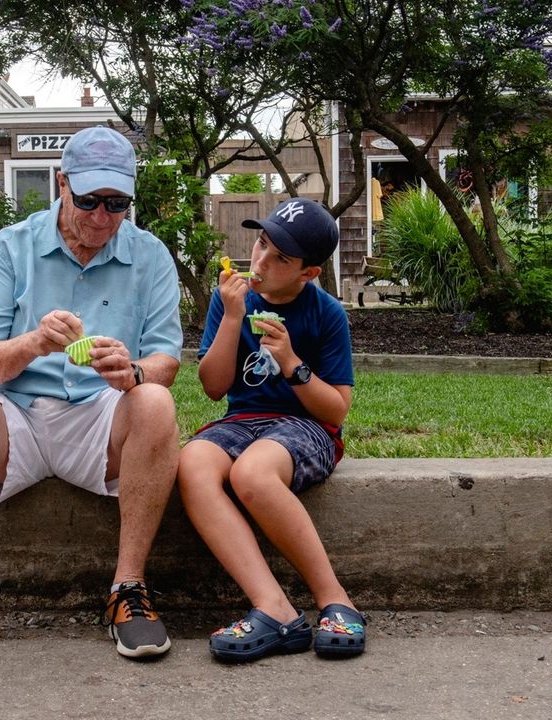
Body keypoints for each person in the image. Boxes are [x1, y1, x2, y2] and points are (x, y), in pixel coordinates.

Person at [0, 126, 183, 661]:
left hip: (101, 418)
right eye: (89, 201)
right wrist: (32, 343)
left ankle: (128, 590)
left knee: (155, 401)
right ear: (62, 183)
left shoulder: (151, 256)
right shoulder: (11, 247)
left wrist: (133, 372)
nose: (102, 217)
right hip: (20, 418)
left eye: (117, 203)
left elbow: (165, 361)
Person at [177, 197, 365, 663]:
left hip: (306, 426)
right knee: (192, 463)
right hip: (242, 420)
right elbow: (213, 388)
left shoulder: (326, 314)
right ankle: (274, 607)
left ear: (309, 273)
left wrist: (291, 363)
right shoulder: (232, 303)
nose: (261, 261)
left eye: (281, 258)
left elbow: (337, 411)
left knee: (253, 473)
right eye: (261, 244)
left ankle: (335, 598)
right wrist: (233, 316)